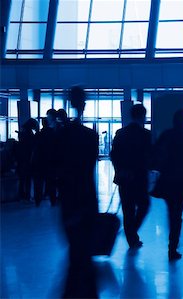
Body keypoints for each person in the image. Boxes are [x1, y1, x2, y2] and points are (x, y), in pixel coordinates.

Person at [56, 86, 99, 297]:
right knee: (84, 255)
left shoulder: (62, 136)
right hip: (88, 201)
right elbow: (88, 169)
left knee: (76, 255)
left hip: (71, 202)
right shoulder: (91, 136)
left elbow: (59, 171)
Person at [153, 109, 183, 261]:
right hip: (182, 180)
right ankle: (173, 245)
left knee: (172, 212)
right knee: (177, 214)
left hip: (167, 179)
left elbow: (156, 152)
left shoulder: (166, 134)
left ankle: (172, 242)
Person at [110, 104, 152, 250]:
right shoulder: (146, 135)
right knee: (144, 205)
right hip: (140, 177)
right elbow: (149, 156)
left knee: (127, 209)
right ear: (143, 116)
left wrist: (120, 170)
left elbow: (113, 155)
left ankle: (131, 238)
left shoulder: (120, 133)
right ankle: (132, 232)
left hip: (124, 177)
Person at [32, 109, 58, 206]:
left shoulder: (39, 134)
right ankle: (53, 199)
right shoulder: (54, 134)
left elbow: (35, 148)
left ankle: (38, 200)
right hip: (51, 162)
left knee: (38, 182)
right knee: (51, 182)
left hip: (39, 162)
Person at [17, 118, 39, 202]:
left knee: (22, 179)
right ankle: (27, 196)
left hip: (21, 159)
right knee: (28, 179)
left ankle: (21, 195)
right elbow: (33, 145)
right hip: (28, 159)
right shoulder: (29, 134)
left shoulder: (22, 132)